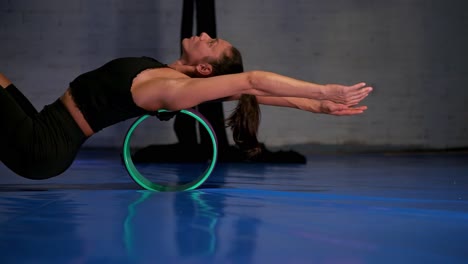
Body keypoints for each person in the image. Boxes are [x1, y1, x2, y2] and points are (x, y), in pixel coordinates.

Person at [0, 32, 372, 180]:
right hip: (42, 126)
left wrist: (324, 92)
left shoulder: (172, 90)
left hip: (43, 147)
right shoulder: (167, 75)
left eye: (211, 43)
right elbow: (252, 95)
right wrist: (314, 108)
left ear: (205, 68)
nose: (206, 35)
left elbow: (252, 81)